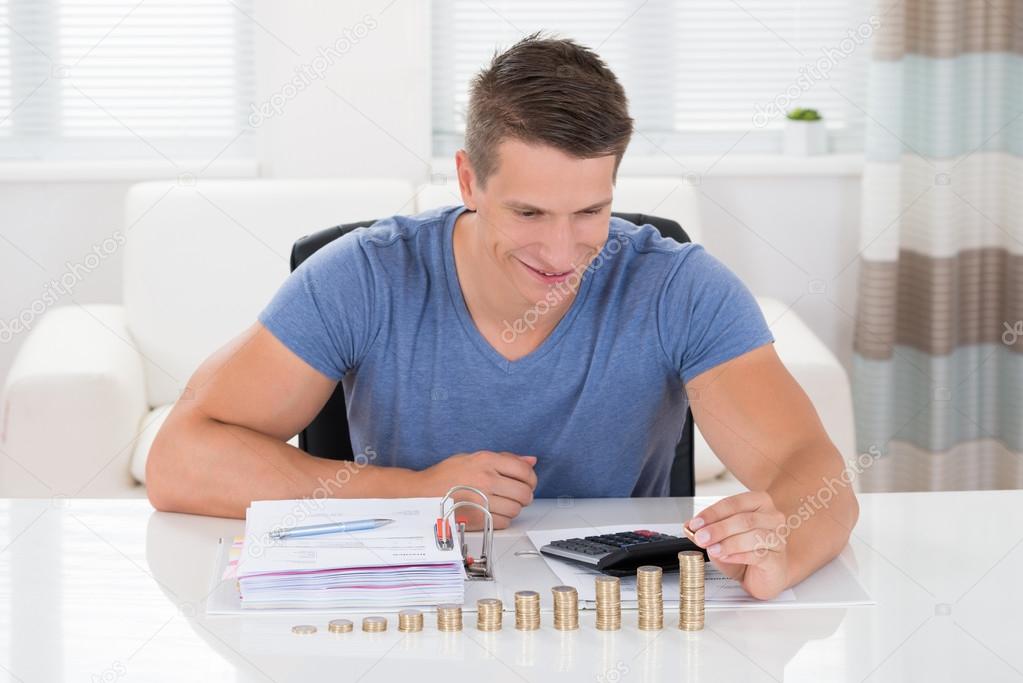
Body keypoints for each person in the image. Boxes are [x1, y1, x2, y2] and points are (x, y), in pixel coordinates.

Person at [147, 32, 858, 600]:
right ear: (468, 180)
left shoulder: (680, 286)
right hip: (413, 608)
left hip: (617, 620)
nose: (561, 250)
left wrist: (782, 542)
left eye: (590, 211)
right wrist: (417, 493)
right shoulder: (363, 275)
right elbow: (181, 458)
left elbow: (812, 471)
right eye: (527, 212)